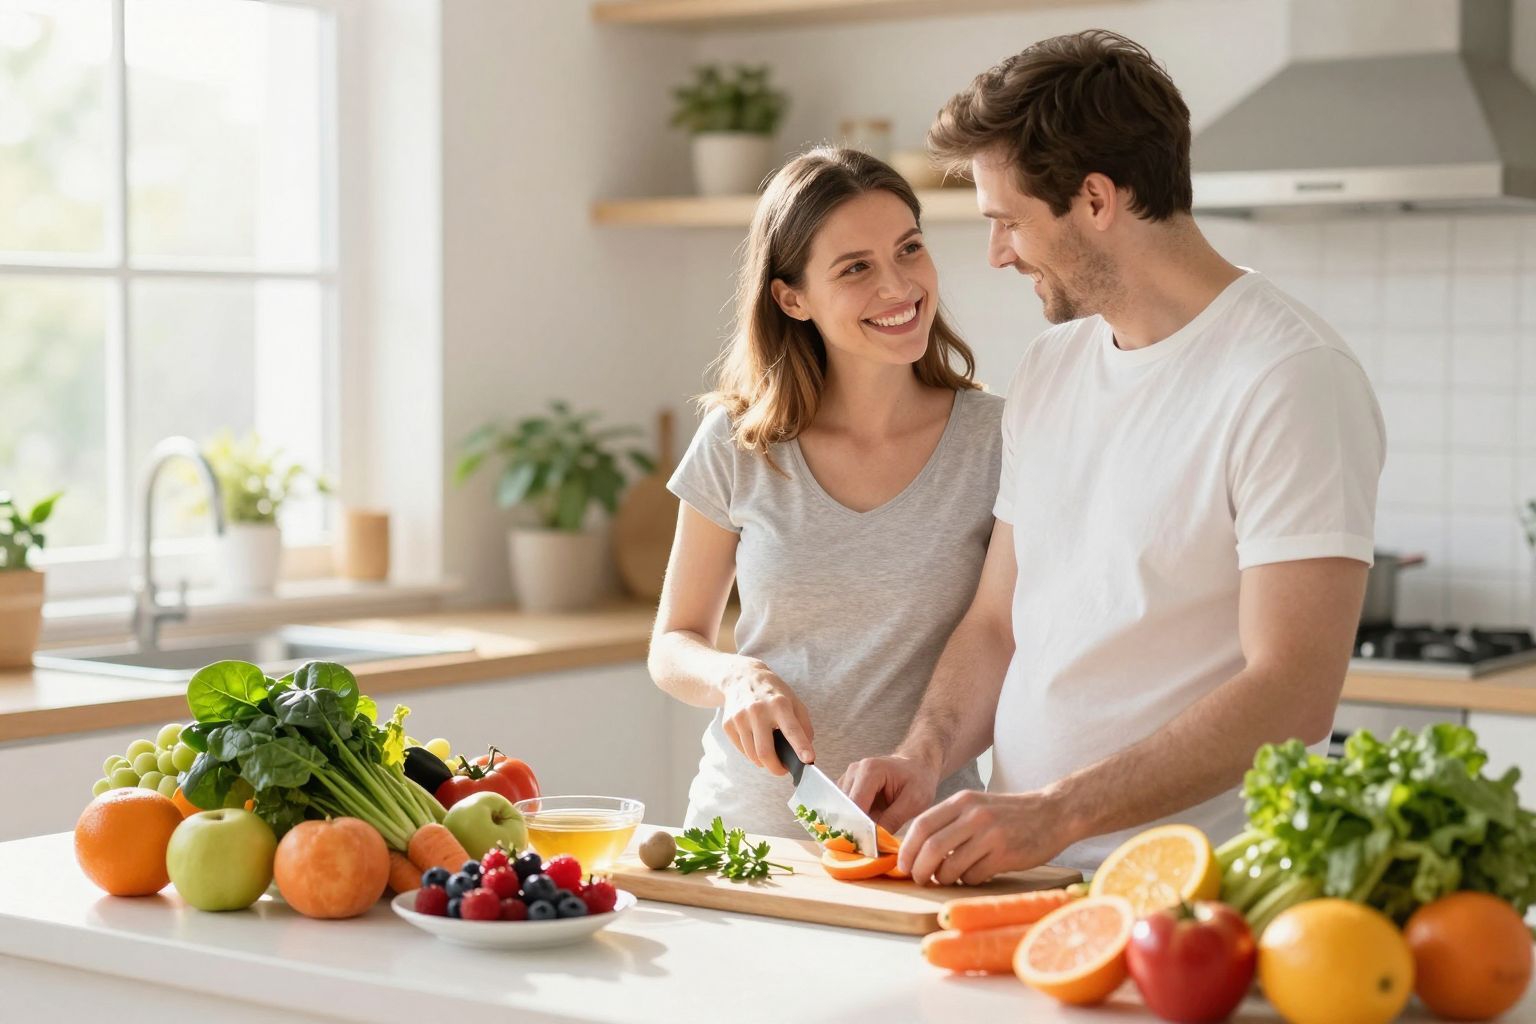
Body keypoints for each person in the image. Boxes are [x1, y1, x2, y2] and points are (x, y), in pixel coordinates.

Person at [840, 30, 1386, 883]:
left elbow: (1291, 692)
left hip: (1199, 889)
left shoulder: (1289, 378)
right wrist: (924, 751)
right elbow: (997, 622)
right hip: (1024, 874)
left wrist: (1058, 813)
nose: (996, 254)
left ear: (1095, 199)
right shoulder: (1053, 367)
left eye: (1007, 222)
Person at [648, 147, 1005, 839]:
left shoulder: (997, 441)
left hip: (920, 838)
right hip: (746, 837)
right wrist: (734, 678)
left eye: (909, 249)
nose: (899, 286)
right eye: (856, 268)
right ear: (791, 298)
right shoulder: (739, 440)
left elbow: (1002, 634)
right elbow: (674, 642)